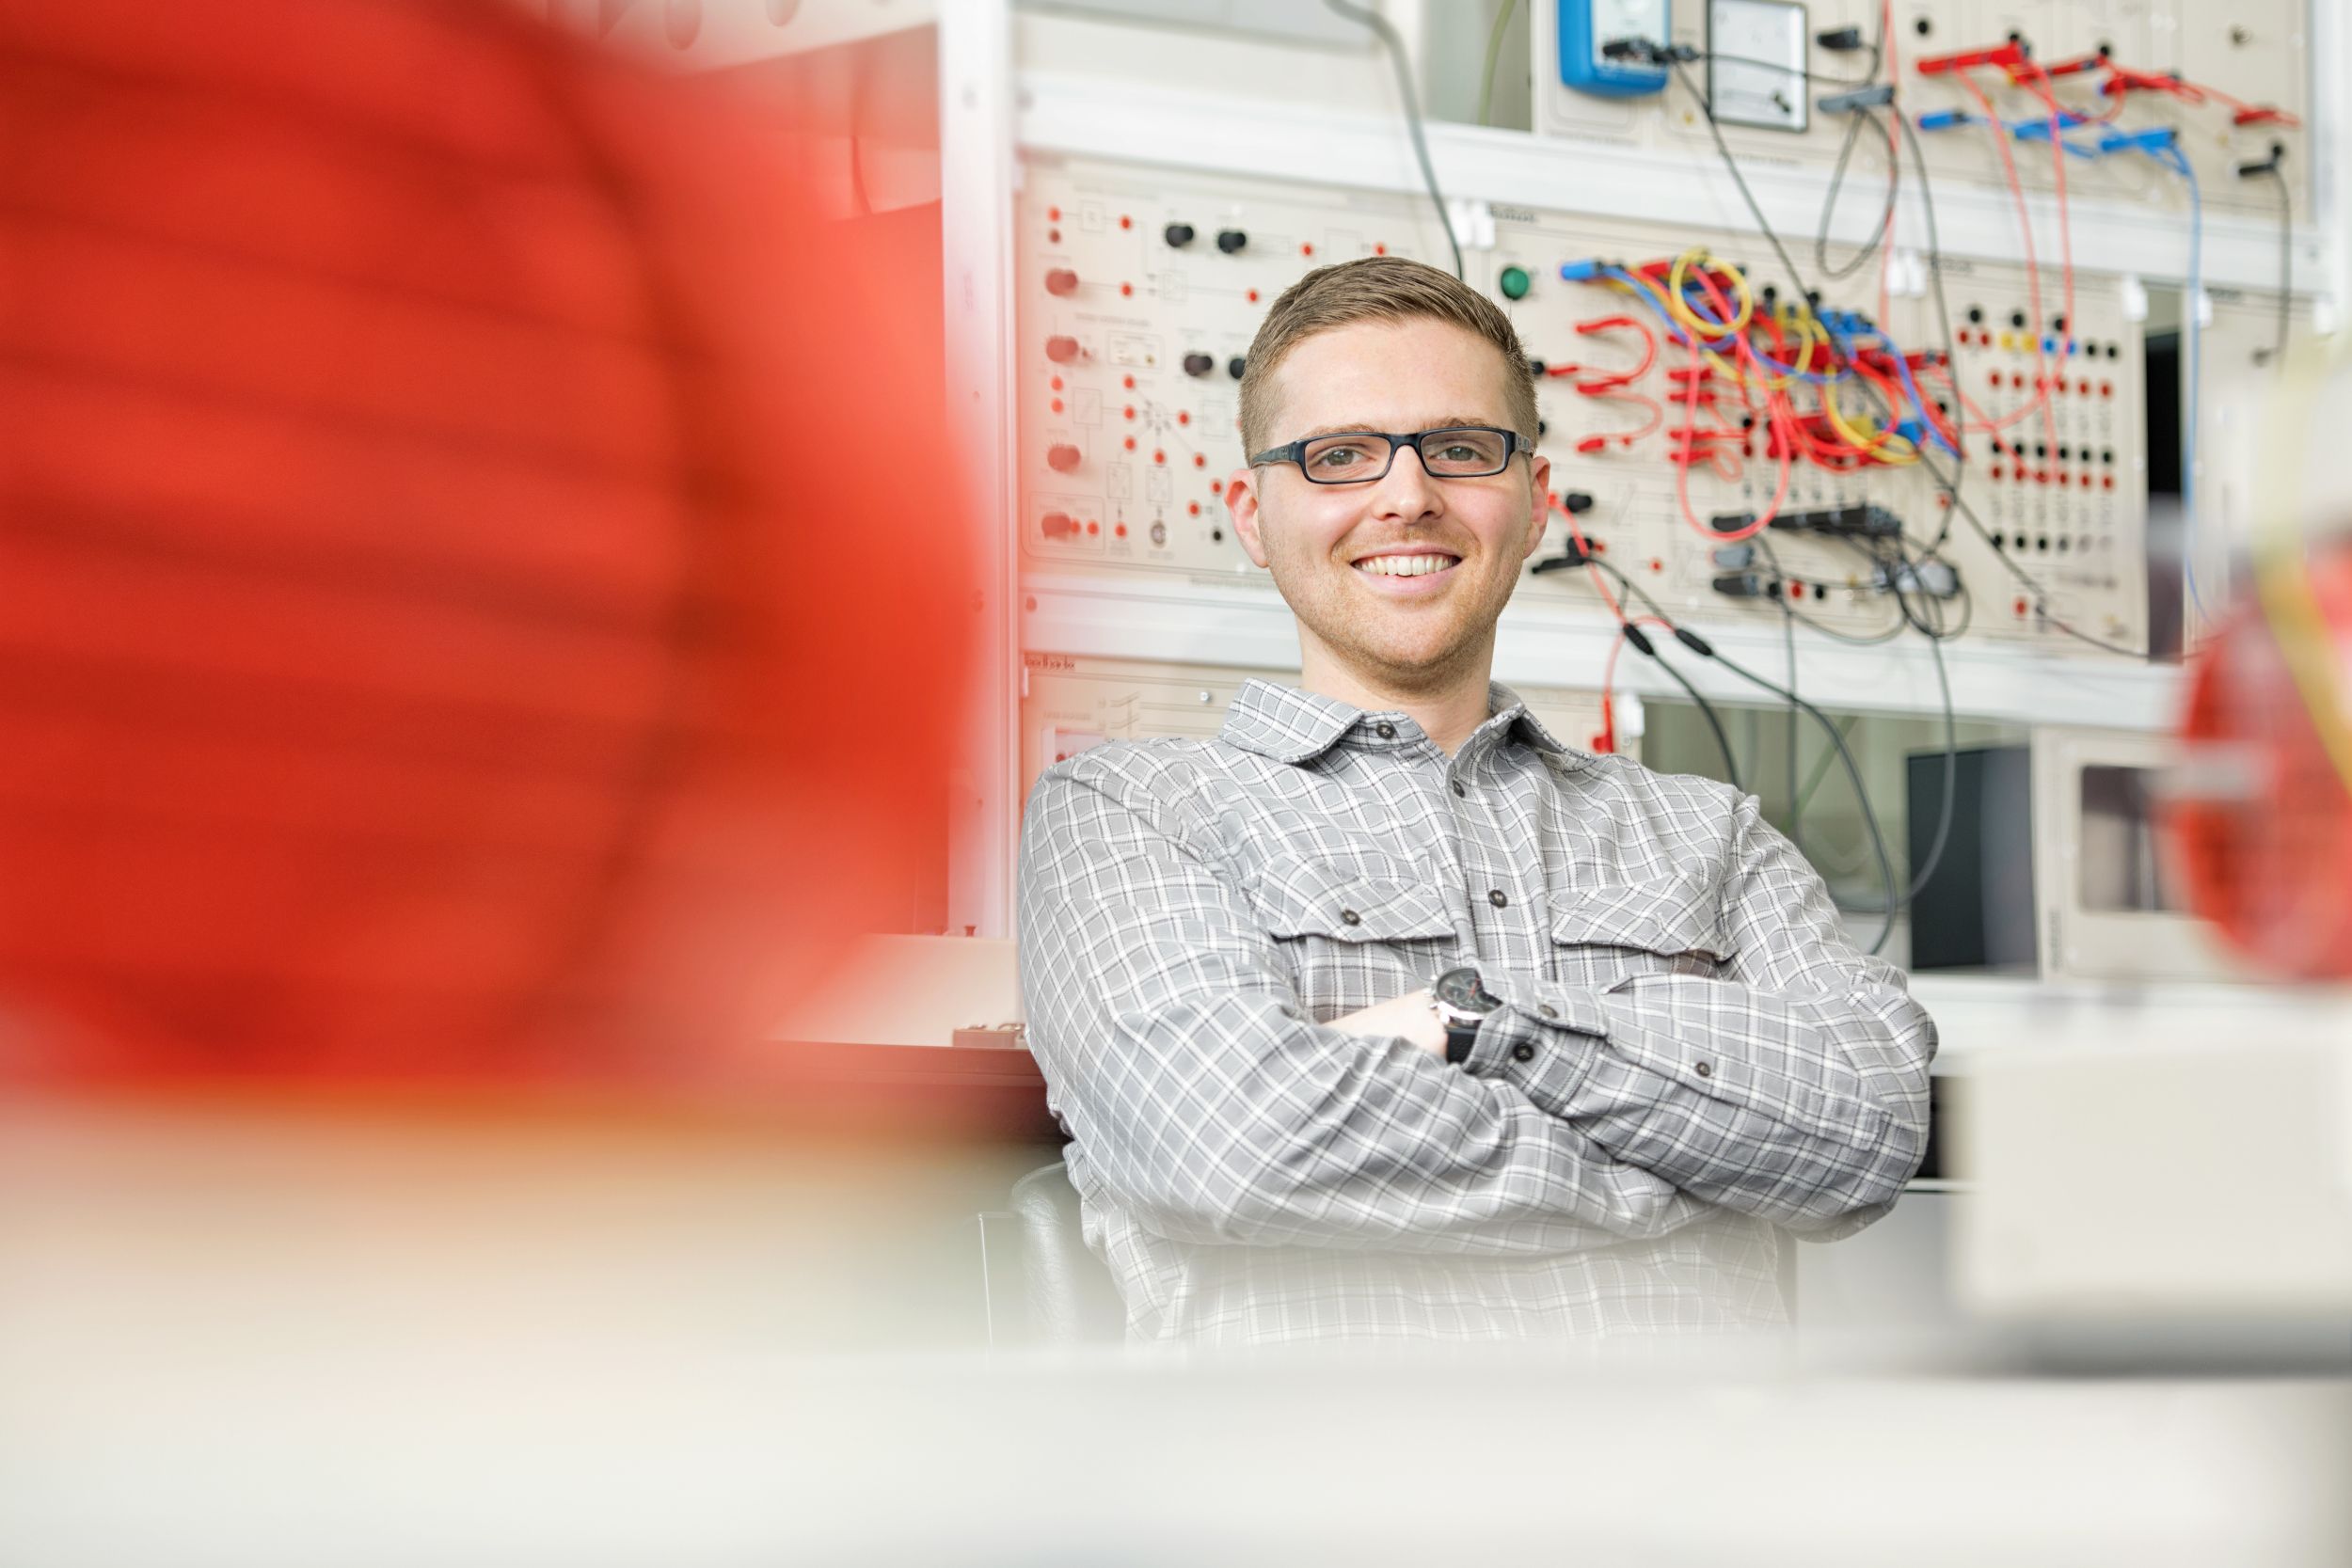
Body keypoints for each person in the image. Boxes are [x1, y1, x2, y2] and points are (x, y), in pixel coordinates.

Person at [1017, 255, 1936, 1344]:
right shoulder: (1125, 815)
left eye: (1459, 450)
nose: (1406, 495)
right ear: (1253, 517)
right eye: (1339, 457)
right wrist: (1675, 1181)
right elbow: (1228, 1140)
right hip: (1323, 1501)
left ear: (1534, 500)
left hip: (1699, 1495)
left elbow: (1865, 1129)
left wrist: (1472, 1027)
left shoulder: (1710, 834)